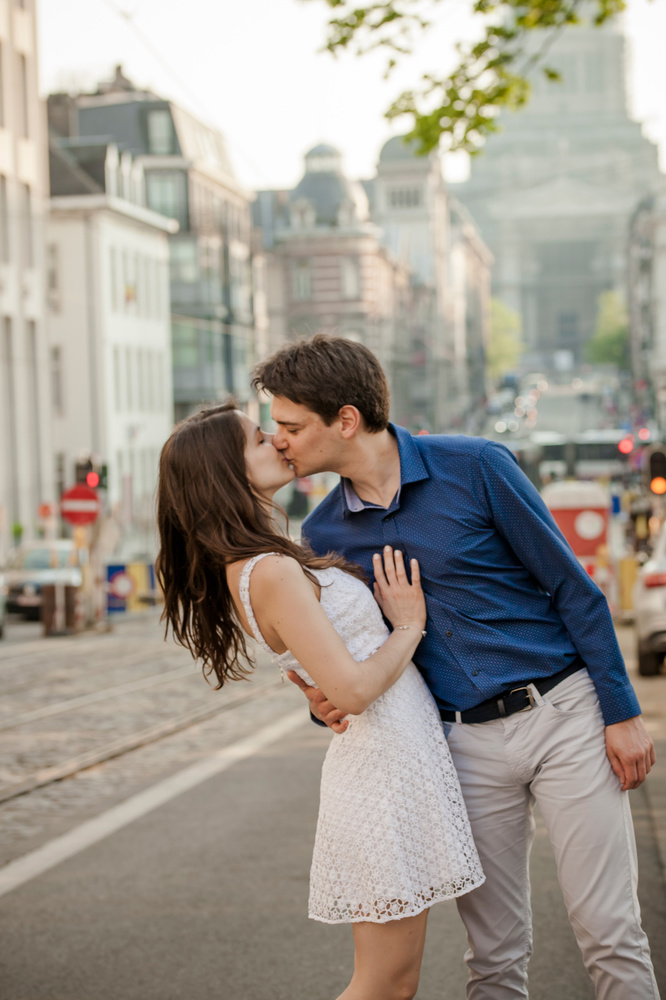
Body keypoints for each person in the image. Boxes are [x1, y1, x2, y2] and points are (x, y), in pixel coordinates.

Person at [251, 335, 660, 1000]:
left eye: (292, 426)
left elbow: (573, 590)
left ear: (345, 420)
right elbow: (352, 657)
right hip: (459, 745)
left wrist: (622, 712)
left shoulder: (477, 466)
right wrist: (324, 703)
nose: (280, 440)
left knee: (609, 933)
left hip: (563, 715)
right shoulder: (323, 535)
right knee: (493, 954)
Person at [155, 401, 485, 1000]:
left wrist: (324, 692)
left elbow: (333, 680)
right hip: (380, 771)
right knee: (384, 983)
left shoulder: (268, 559)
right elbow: (352, 690)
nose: (278, 441)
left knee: (397, 982)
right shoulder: (269, 571)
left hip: (397, 760)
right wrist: (409, 625)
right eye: (260, 438)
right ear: (227, 472)